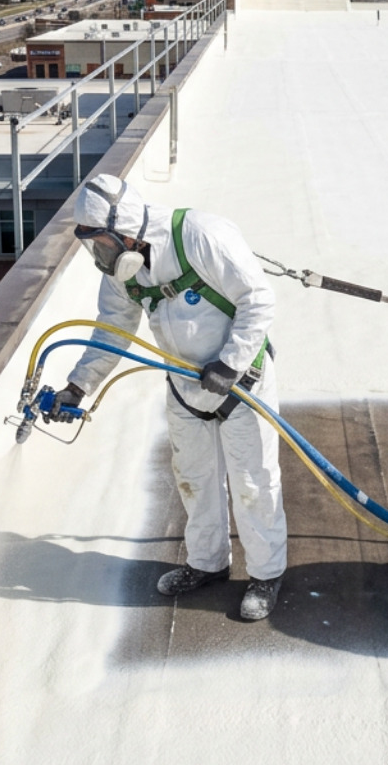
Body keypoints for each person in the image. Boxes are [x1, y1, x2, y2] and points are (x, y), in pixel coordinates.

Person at [46, 173, 288, 621]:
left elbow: (258, 299)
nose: (98, 255)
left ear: (125, 230)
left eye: (100, 243)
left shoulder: (199, 236)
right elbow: (112, 330)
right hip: (184, 386)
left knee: (253, 482)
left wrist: (232, 363)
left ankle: (266, 574)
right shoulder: (122, 269)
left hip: (241, 382)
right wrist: (80, 385)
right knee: (193, 478)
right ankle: (207, 564)